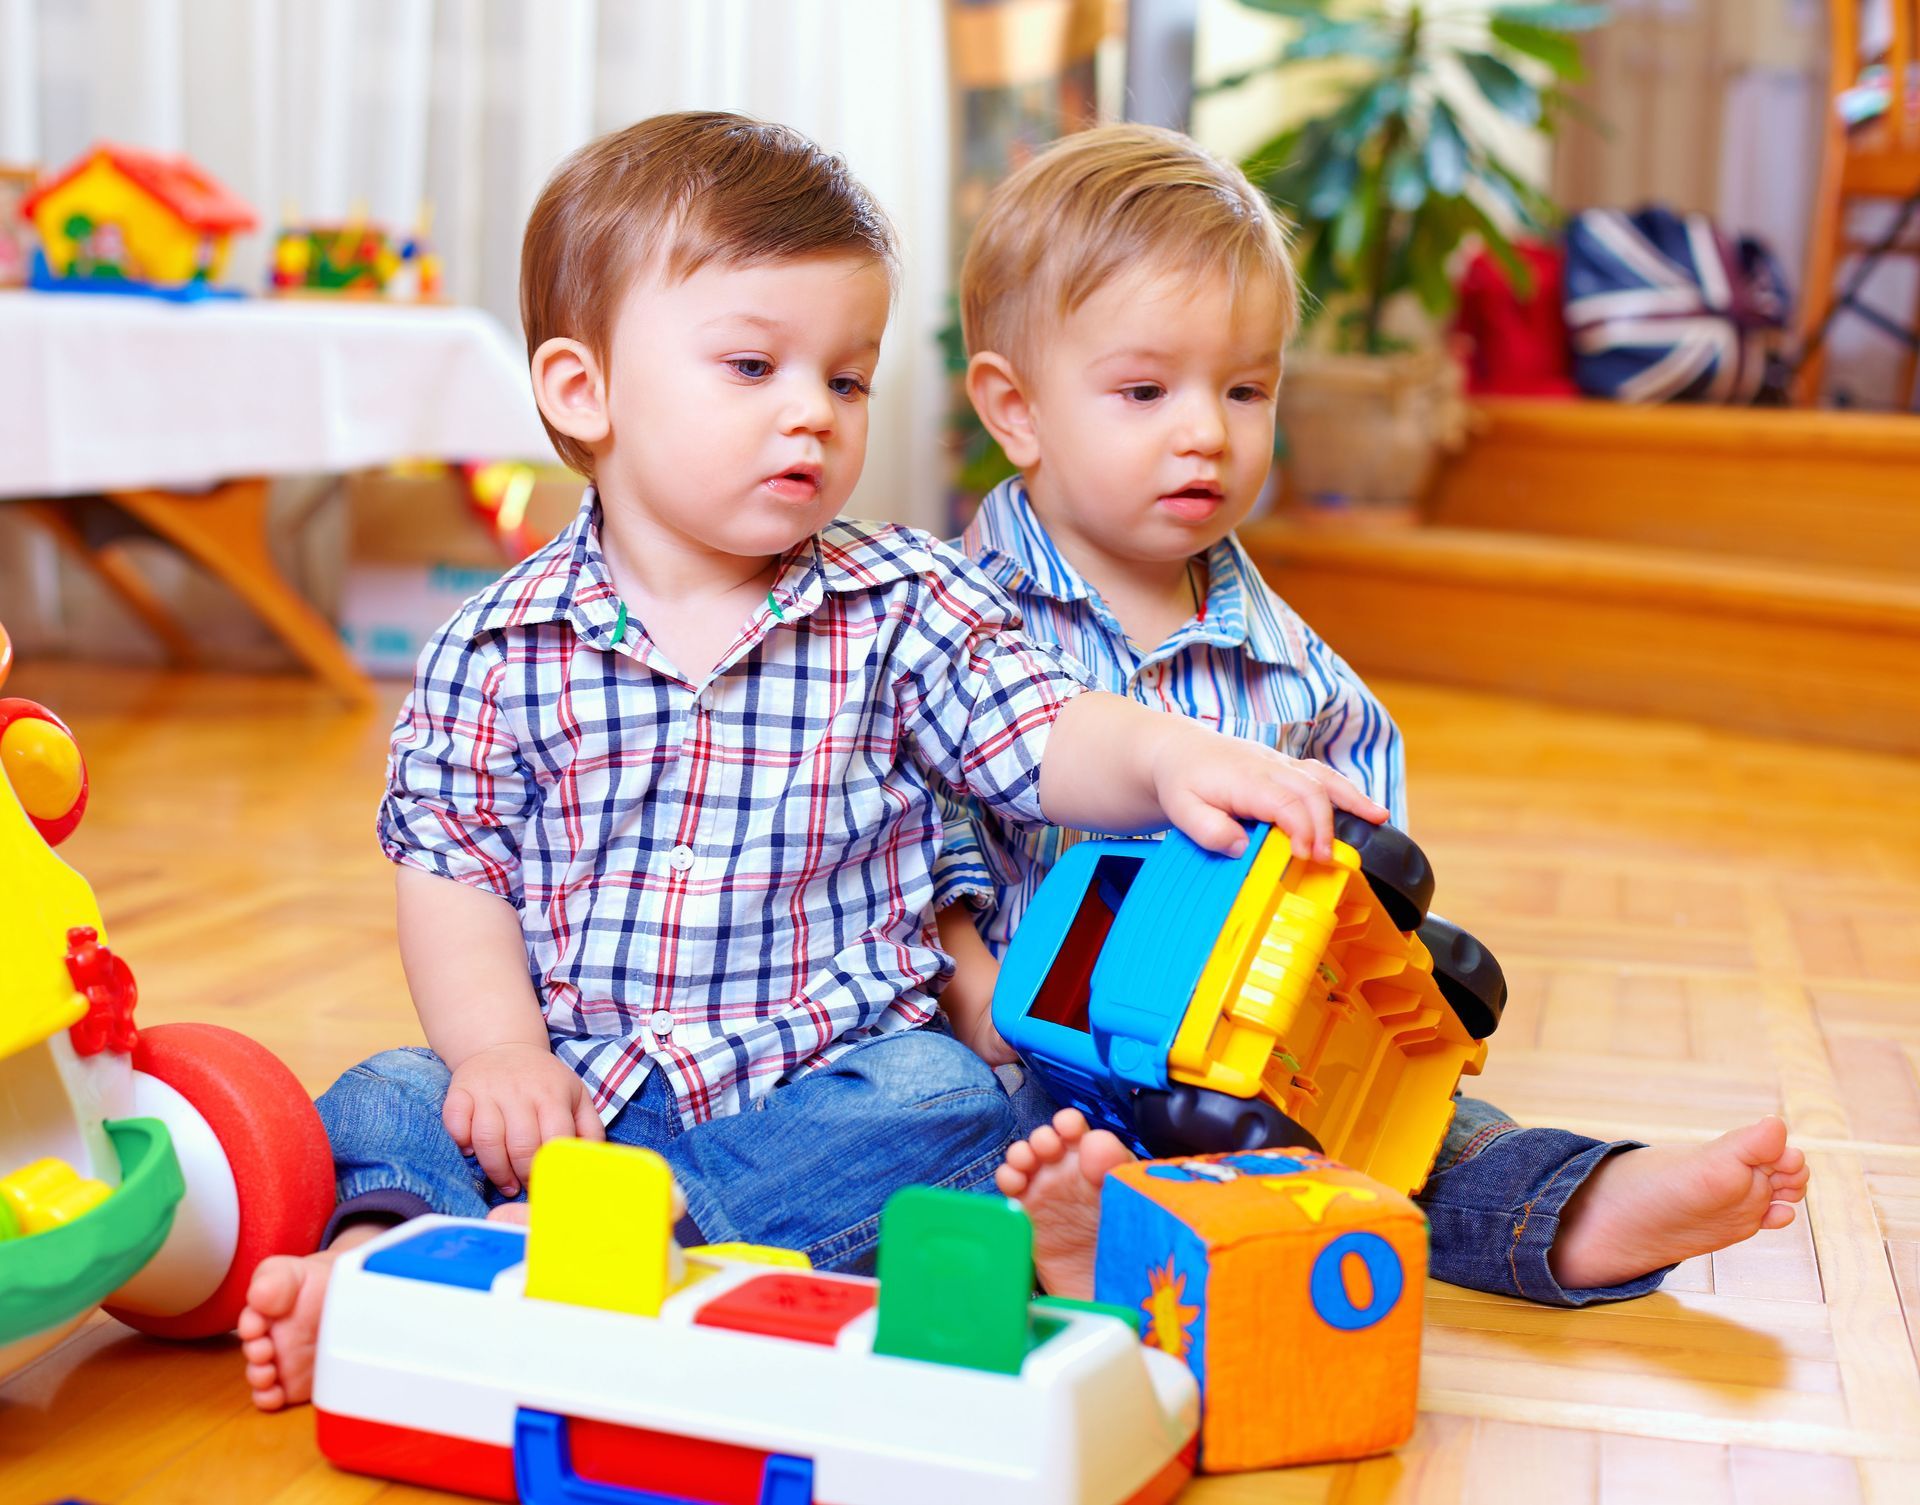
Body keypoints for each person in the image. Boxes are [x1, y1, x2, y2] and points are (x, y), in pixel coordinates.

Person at [235, 111, 1386, 1411]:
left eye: (845, 380)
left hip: (822, 1094)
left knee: (951, 1096)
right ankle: (384, 1260)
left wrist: (1174, 755)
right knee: (391, 1088)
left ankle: (598, 1259)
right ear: (582, 391)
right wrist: (499, 1050)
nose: (812, 415)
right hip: (573, 1094)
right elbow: (451, 871)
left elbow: (1045, 728)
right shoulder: (496, 650)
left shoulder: (903, 599)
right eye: (752, 366)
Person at [935, 123, 1809, 1303]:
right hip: (1027, 1064)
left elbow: (1363, 882)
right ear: (1016, 409)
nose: (1206, 429)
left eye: (1245, 388)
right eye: (1145, 390)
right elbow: (898, 835)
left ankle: (1577, 1205)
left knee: (1411, 1137)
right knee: (945, 1136)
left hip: (1256, 1064)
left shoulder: (1298, 670)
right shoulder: (945, 624)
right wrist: (970, 987)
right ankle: (1095, 1233)